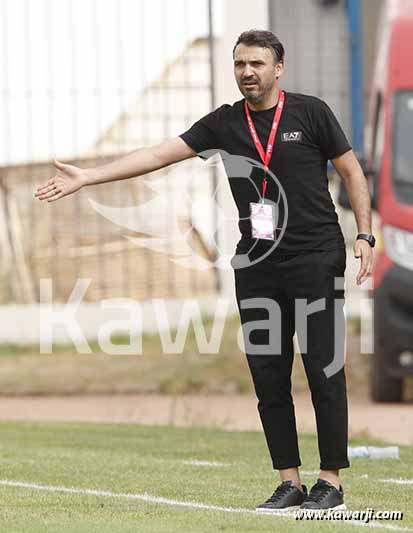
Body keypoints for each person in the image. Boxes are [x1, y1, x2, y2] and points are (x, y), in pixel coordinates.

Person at [35, 29, 375, 513]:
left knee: (323, 367)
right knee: (268, 374)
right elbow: (157, 155)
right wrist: (90, 176)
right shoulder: (224, 123)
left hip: (315, 256)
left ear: (279, 68)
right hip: (256, 264)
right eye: (240, 64)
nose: (247, 73)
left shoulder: (312, 112)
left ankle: (331, 482)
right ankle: (290, 482)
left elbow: (351, 172)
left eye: (257, 64)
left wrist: (363, 235)